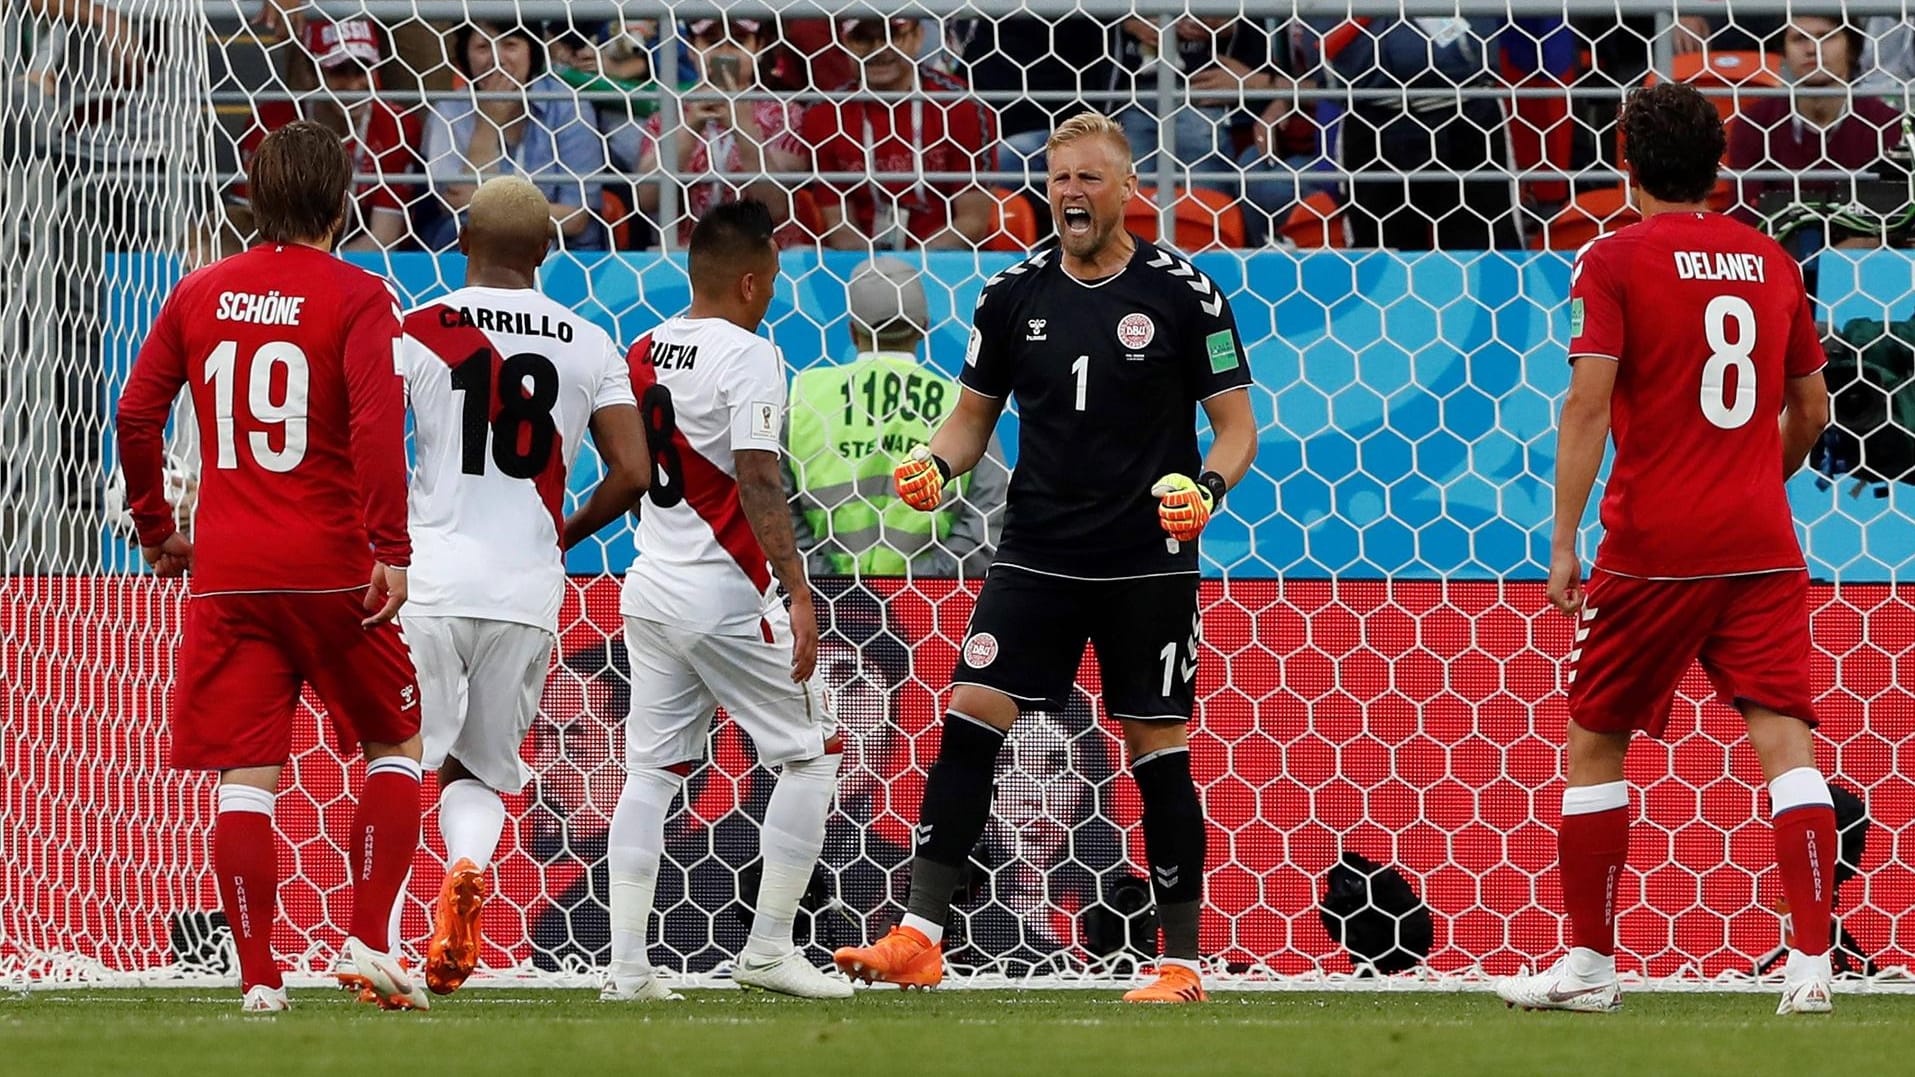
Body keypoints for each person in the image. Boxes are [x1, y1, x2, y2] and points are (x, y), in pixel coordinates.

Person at [830, 111, 1259, 1003]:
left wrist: (1207, 490)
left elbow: (1235, 429)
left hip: (1145, 557)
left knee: (1153, 744)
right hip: (1036, 549)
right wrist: (932, 463)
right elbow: (970, 418)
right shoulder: (1008, 294)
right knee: (970, 712)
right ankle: (919, 934)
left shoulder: (1188, 294)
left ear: (1128, 190)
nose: (1068, 192)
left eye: (1088, 178)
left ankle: (1178, 962)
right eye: (1058, 177)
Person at [1495, 83, 1837, 1016]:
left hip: (1653, 546)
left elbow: (1588, 402)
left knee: (1594, 739)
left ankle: (1590, 968)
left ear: (1624, 160)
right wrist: (1756, 482)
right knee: (1783, 739)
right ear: (1719, 164)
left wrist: (1563, 540)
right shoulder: (1771, 259)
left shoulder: (1613, 257)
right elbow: (1809, 408)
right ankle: (1811, 964)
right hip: (1760, 540)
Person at [113, 121, 426, 1013]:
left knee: (247, 773)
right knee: (396, 744)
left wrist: (156, 525)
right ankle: (368, 939)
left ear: (253, 200)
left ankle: (258, 978)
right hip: (331, 567)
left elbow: (137, 416)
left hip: (229, 569)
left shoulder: (199, 290)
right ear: (342, 201)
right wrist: (391, 549)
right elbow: (374, 431)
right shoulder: (359, 295)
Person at [395, 176, 650, 996]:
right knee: (479, 768)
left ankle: (388, 943)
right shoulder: (590, 340)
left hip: (429, 579)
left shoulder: (417, 327)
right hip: (525, 587)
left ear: (460, 240)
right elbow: (634, 471)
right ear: (547, 251)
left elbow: (361, 433)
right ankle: (466, 867)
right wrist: (563, 534)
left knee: (400, 763)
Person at [604, 199, 850, 1001]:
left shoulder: (643, 348)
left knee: (650, 772)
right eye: (772, 279)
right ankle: (769, 949)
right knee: (814, 755)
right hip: (725, 593)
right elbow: (755, 475)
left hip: (650, 585)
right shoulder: (749, 354)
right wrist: (800, 595)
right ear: (750, 280)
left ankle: (629, 970)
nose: (775, 294)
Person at [785, 256, 1008, 578]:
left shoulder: (806, 397)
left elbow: (779, 510)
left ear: (852, 330)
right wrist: (918, 586)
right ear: (924, 328)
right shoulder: (961, 404)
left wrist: (825, 581)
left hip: (824, 603)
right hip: (929, 609)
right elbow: (988, 519)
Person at [801, 18, 997, 250]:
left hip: (945, 262)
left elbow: (972, 222)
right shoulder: (823, 114)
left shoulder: (962, 106)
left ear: (918, 37)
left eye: (892, 35)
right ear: (845, 42)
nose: (879, 49)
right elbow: (840, 226)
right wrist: (879, 271)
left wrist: (912, 266)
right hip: (861, 267)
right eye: (863, 38)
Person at [236, 18, 420, 251]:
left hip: (359, 262)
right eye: (339, 71)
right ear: (310, 73)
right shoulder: (268, 124)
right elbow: (250, 228)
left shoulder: (396, 125)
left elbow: (384, 237)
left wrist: (323, 272)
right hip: (280, 256)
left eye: (363, 69)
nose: (354, 85)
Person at [422, 21, 606, 251]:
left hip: (560, 251)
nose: (497, 59)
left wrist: (492, 207)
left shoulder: (570, 106)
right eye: (482, 47)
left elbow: (575, 218)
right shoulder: (450, 109)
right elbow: (455, 205)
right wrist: (488, 124)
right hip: (482, 251)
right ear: (465, 55)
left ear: (532, 51)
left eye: (510, 45)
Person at [632, 18, 810, 247]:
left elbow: (774, 206)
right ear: (691, 49)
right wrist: (690, 127)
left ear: (759, 48)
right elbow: (646, 200)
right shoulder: (666, 117)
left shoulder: (786, 114)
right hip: (690, 258)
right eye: (712, 41)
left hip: (765, 257)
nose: (724, 53)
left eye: (738, 41)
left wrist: (743, 130)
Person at [1728, 16, 1904, 245]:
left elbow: (1897, 222)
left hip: (1863, 267)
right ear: (1783, 51)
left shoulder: (1887, 125)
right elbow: (1743, 221)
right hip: (1775, 264)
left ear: (1851, 48)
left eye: (1826, 37)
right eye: (1799, 38)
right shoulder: (1754, 124)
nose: (1812, 49)